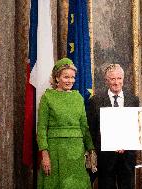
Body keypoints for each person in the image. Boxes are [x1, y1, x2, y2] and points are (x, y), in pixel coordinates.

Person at [37, 58, 95, 189]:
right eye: (66, 77)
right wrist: (45, 155)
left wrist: (91, 150)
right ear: (57, 78)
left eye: (73, 77)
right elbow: (41, 128)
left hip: (76, 152)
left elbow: (84, 127)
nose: (70, 81)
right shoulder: (47, 97)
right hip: (55, 151)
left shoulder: (78, 97)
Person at [87, 63, 139, 189]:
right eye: (112, 79)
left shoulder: (133, 100)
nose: (116, 82)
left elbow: (137, 127)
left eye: (119, 78)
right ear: (106, 81)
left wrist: (125, 144)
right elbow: (92, 130)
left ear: (123, 79)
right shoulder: (96, 101)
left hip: (127, 156)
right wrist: (105, 146)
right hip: (106, 157)